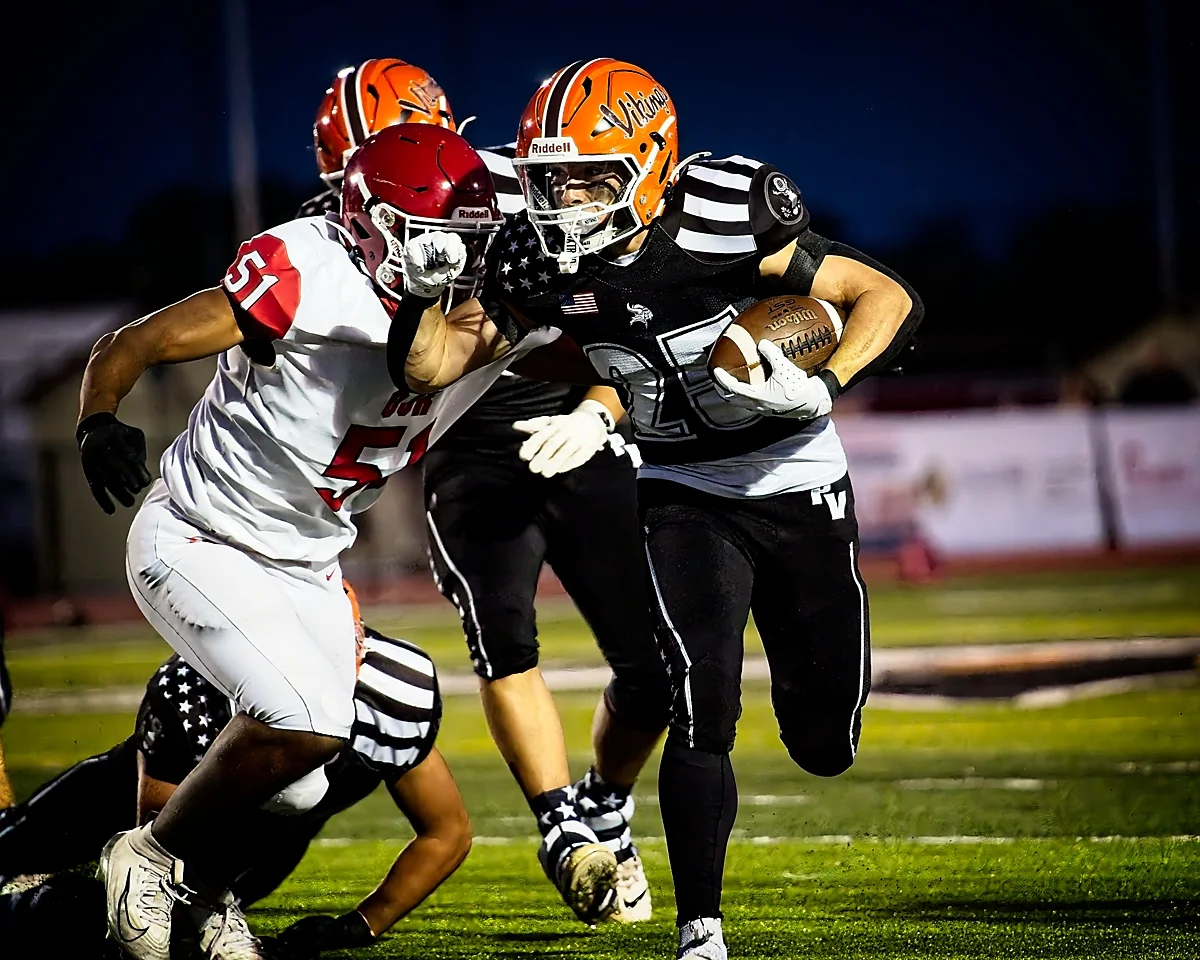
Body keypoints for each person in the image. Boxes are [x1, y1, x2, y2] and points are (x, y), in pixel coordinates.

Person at [395, 58, 922, 959]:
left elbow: (888, 296)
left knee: (825, 741)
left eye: (588, 178)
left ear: (650, 161)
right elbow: (435, 366)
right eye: (550, 179)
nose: (563, 199)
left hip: (794, 475)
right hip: (680, 488)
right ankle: (700, 933)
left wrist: (823, 385)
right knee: (697, 702)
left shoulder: (726, 208)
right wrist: (423, 289)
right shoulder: (535, 254)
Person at [76, 123, 559, 960]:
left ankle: (207, 890)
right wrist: (96, 419)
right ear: (371, 224)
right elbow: (136, 341)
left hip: (308, 557)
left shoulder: (490, 308)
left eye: (463, 243)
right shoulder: (308, 270)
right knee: (306, 721)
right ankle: (146, 854)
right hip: (203, 534)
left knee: (298, 789)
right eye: (430, 240)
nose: (450, 261)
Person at [301, 58, 670, 924]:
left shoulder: (526, 182)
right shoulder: (323, 234)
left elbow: (627, 291)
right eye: (349, 174)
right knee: (503, 635)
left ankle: (607, 804)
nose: (362, 191)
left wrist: (604, 400)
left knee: (654, 668)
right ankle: (561, 829)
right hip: (458, 437)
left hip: (568, 415)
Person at [1, 591, 467, 958]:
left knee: (73, 925)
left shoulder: (395, 696)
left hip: (248, 859)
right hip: (130, 810)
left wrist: (358, 925)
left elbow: (446, 832)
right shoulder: (199, 684)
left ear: (359, 636)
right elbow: (156, 850)